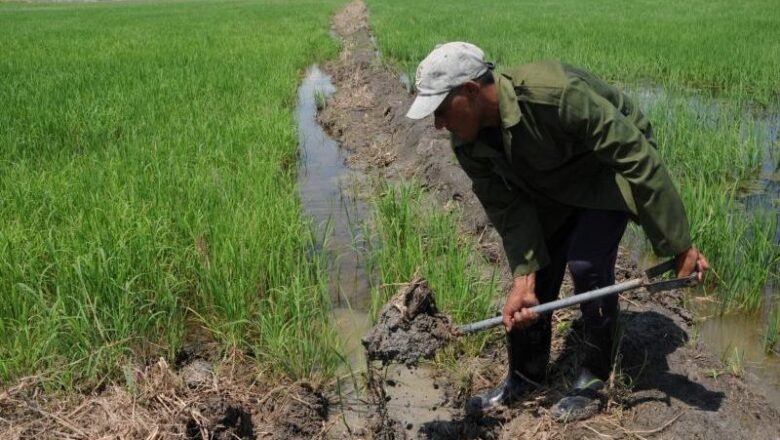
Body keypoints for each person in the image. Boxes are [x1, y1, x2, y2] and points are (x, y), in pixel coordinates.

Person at [405, 42, 709, 421]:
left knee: (587, 263)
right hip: (549, 181)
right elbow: (509, 209)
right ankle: (524, 378)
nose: (438, 124)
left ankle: (594, 379)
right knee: (536, 278)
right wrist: (524, 277)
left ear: (470, 90)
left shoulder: (553, 95)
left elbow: (634, 155)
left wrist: (678, 245)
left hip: (604, 169)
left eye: (441, 110)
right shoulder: (468, 145)